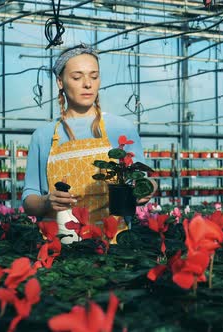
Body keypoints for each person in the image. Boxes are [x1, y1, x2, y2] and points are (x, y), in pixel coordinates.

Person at [22, 43, 156, 227]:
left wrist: (148, 189)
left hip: (112, 243)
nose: (87, 84)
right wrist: (46, 202)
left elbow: (143, 179)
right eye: (77, 77)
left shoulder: (122, 128)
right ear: (60, 82)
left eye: (94, 76)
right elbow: (29, 198)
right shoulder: (43, 135)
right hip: (60, 241)